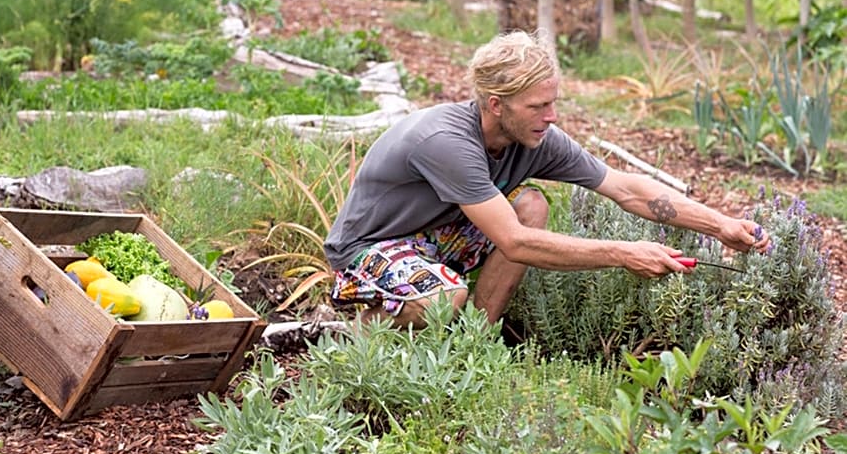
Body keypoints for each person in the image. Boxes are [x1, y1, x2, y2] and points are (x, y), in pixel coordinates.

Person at [323, 30, 770, 329]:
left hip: (432, 238)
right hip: (368, 249)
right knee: (444, 297)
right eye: (538, 106)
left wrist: (721, 225)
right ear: (497, 105)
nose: (551, 117)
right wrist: (622, 252)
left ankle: (472, 342)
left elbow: (626, 188)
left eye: (552, 103)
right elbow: (515, 243)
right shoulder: (446, 142)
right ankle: (352, 343)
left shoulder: (536, 137)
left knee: (531, 204)